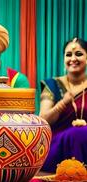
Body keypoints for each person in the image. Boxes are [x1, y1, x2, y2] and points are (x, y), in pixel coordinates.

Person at [40, 38, 87, 172]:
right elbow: (43, 119)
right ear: (63, 60)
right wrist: (63, 103)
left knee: (82, 133)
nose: (73, 58)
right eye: (68, 55)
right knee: (77, 134)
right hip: (58, 145)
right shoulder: (52, 85)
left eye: (79, 54)